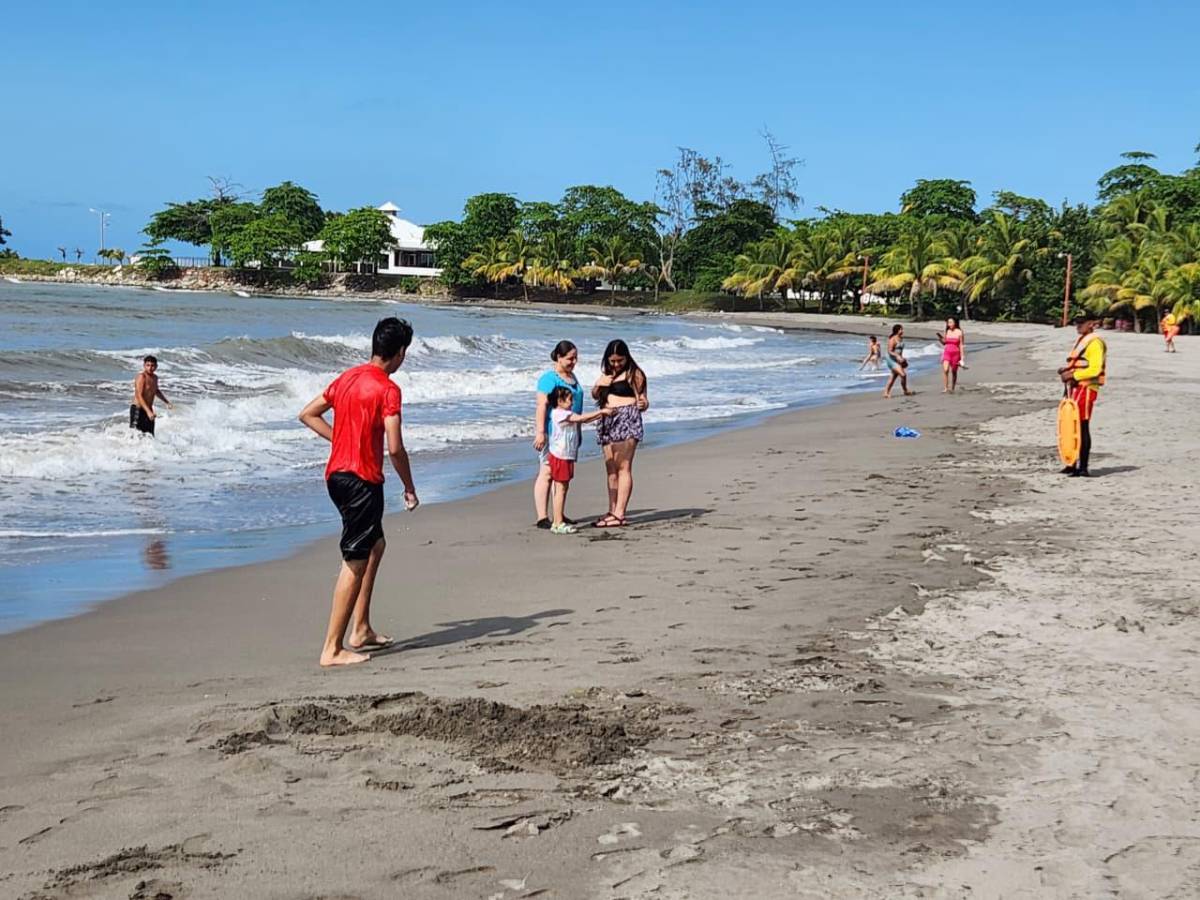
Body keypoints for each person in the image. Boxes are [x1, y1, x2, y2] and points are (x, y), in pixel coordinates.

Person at [298, 317, 418, 667]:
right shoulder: (388, 389)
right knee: (355, 559)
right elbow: (395, 447)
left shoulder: (348, 377)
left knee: (375, 545)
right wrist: (409, 487)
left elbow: (308, 413)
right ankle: (332, 648)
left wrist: (341, 439)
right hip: (360, 481)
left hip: (336, 476)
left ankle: (361, 628)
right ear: (399, 353)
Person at [592, 339, 649, 528]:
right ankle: (612, 509)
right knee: (611, 469)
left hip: (627, 419)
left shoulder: (635, 374)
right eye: (612, 361)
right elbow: (595, 394)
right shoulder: (606, 374)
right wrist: (600, 384)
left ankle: (620, 513)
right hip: (607, 419)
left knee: (623, 467)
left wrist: (643, 404)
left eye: (620, 360)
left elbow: (643, 400)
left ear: (627, 358)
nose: (616, 364)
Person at [546, 386, 612, 534]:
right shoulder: (558, 414)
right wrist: (601, 412)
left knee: (564, 487)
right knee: (560, 489)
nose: (572, 402)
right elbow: (581, 418)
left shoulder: (565, 413)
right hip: (560, 455)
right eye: (569, 399)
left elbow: (583, 420)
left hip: (566, 454)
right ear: (559, 401)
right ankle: (557, 522)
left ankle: (559, 519)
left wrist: (601, 415)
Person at [533, 340, 584, 530]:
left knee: (561, 476)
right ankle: (542, 516)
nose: (574, 361)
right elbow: (541, 405)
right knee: (547, 472)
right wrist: (540, 432)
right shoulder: (549, 378)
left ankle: (558, 513)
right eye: (570, 358)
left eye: (575, 358)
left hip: (569, 435)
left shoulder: (573, 378)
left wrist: (578, 432)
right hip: (553, 433)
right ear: (559, 357)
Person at [1058, 315, 1108, 478]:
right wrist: (1067, 371)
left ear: (1091, 324)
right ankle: (1072, 463)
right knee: (1071, 425)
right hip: (1076, 387)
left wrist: (1073, 375)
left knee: (1081, 425)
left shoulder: (1095, 342)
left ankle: (1083, 467)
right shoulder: (1084, 339)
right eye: (1076, 323)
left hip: (1086, 388)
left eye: (1081, 323)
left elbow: (1094, 369)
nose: (1077, 326)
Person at [130, 354, 172, 436]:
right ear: (144, 366)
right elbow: (139, 395)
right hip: (138, 409)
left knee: (150, 435)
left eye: (152, 365)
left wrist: (166, 402)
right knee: (136, 435)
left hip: (148, 409)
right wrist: (148, 411)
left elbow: (156, 391)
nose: (150, 368)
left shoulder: (155, 378)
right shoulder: (142, 377)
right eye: (148, 365)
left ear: (156, 366)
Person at [882, 324, 912, 399]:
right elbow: (890, 351)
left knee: (893, 376)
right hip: (891, 359)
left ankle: (886, 392)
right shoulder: (892, 339)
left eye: (902, 329)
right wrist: (897, 356)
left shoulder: (901, 338)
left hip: (898, 360)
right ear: (897, 330)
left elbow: (900, 351)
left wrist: (902, 359)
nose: (902, 331)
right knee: (903, 374)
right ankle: (905, 390)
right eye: (901, 329)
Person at [937, 317, 966, 392]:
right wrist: (940, 338)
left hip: (956, 354)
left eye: (951, 322)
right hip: (947, 352)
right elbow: (944, 343)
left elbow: (961, 345)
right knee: (945, 369)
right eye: (948, 322)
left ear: (955, 323)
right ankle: (946, 388)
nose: (949, 324)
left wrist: (962, 358)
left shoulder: (959, 332)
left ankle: (952, 387)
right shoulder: (947, 331)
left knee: (954, 371)